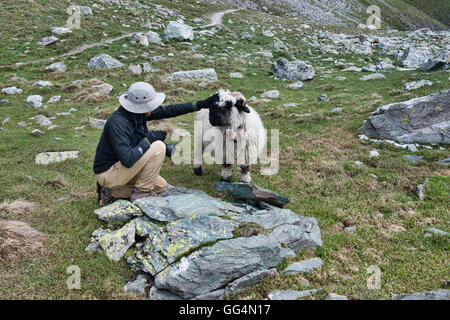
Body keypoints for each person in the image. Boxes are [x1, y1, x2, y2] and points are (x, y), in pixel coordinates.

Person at [93, 81, 219, 205]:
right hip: (108, 172)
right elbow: (128, 159)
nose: (152, 108)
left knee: (160, 185)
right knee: (159, 146)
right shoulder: (118, 123)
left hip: (121, 169)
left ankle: (111, 191)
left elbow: (169, 110)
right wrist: (150, 138)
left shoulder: (137, 114)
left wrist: (201, 104)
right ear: (140, 105)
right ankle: (141, 194)